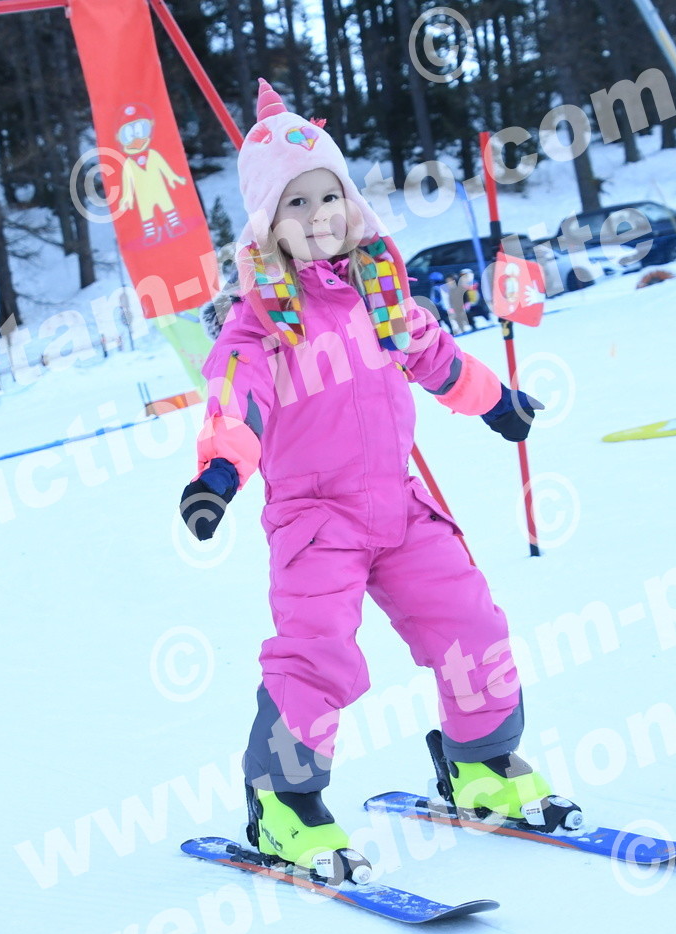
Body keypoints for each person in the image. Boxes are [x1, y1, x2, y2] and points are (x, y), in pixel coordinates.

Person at [180, 79, 581, 886]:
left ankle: (482, 763)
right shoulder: (261, 321)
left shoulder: (380, 293)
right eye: (297, 203)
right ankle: (284, 803)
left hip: (398, 503)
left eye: (330, 195)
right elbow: (237, 398)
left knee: (471, 623)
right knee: (316, 656)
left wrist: (495, 401)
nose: (319, 215)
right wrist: (220, 471)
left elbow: (435, 354)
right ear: (267, 225)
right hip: (315, 521)